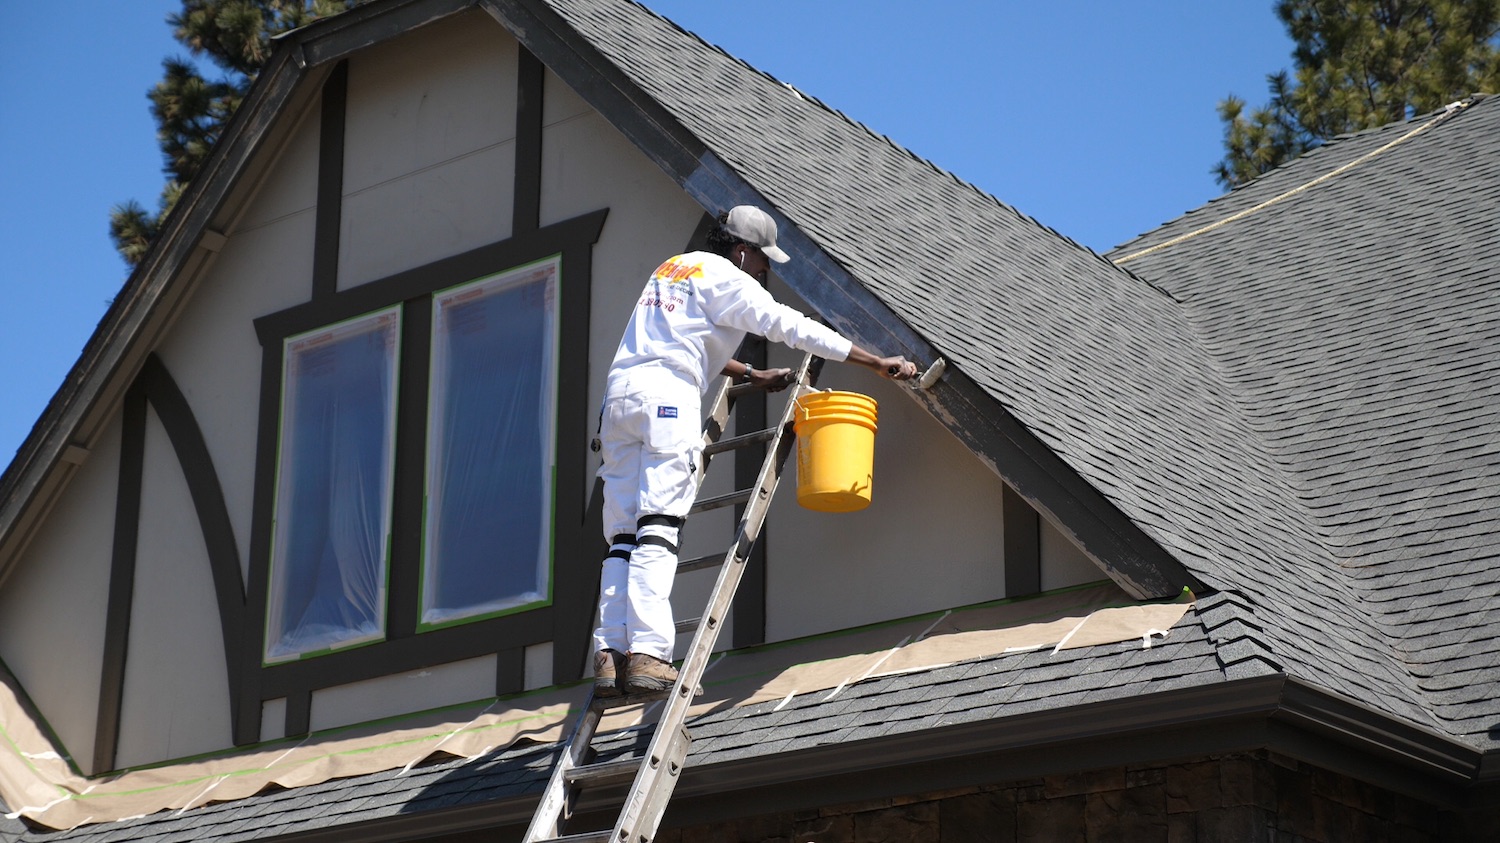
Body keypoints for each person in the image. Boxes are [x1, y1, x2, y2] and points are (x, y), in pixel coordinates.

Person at [593, 205, 918, 696]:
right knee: (658, 526)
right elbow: (792, 326)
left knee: (622, 535)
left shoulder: (673, 268)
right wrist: (874, 361)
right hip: (667, 401)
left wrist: (750, 373)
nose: (765, 271)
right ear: (742, 251)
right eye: (764, 260)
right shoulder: (730, 277)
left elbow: (684, 338)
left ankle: (610, 654)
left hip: (619, 402)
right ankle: (649, 654)